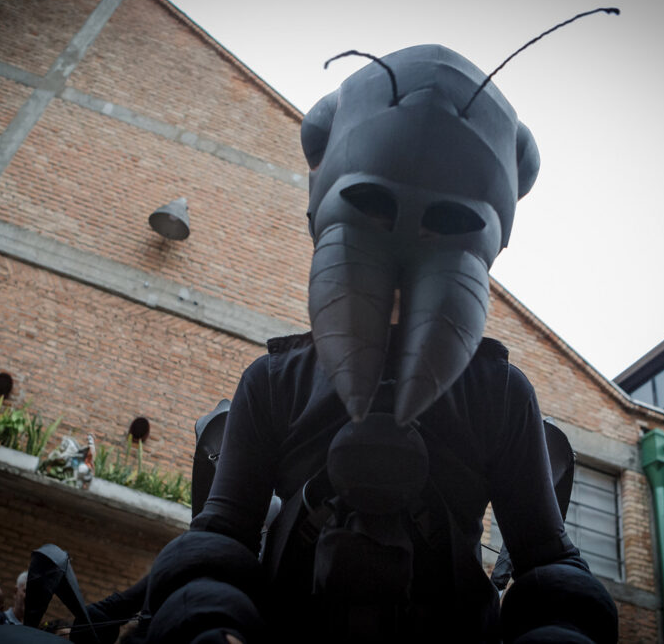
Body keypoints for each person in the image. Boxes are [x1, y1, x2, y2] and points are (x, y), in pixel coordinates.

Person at [144, 44, 618, 643]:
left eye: (444, 221)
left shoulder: (498, 395)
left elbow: (546, 559)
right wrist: (209, 624)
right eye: (374, 208)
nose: (404, 251)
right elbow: (222, 534)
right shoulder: (274, 383)